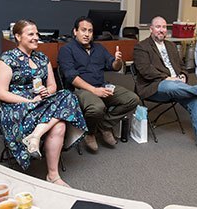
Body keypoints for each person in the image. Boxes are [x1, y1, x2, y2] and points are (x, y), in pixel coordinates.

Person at [0, 19, 87, 187]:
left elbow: (52, 86)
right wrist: (29, 100)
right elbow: (1, 92)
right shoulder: (7, 59)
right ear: (17, 36)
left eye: (37, 34)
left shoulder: (42, 58)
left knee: (67, 95)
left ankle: (49, 167)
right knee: (60, 120)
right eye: (31, 34)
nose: (36, 37)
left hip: (41, 104)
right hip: (17, 108)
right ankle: (37, 141)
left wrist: (47, 91)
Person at [133, 16, 197, 159]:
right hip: (155, 87)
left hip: (179, 86)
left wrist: (182, 76)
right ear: (151, 29)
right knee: (171, 86)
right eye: (158, 27)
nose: (161, 30)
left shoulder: (170, 46)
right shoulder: (141, 47)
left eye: (164, 27)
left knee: (196, 99)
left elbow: (182, 67)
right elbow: (145, 70)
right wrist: (168, 78)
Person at [58, 16, 140, 152]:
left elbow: (113, 66)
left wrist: (118, 61)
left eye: (90, 31)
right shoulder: (67, 50)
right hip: (79, 90)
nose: (87, 34)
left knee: (132, 99)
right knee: (97, 107)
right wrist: (94, 90)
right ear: (75, 31)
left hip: (102, 85)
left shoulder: (99, 48)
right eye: (83, 30)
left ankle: (104, 126)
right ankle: (90, 132)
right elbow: (71, 77)